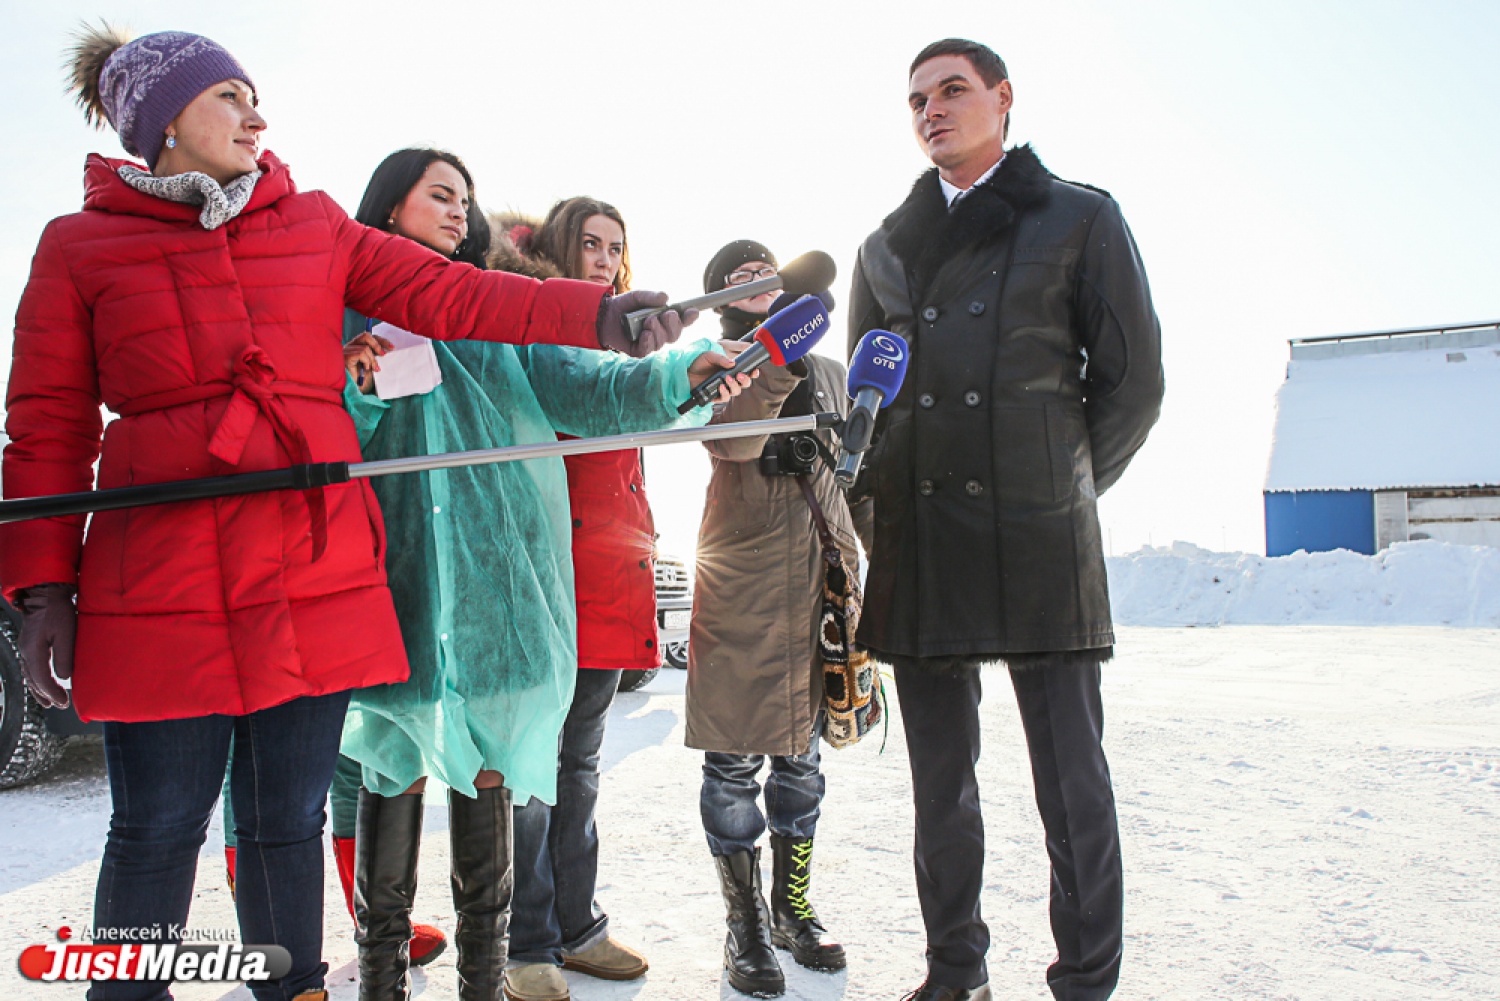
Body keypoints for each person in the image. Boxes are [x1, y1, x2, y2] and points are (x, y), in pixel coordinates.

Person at [1, 26, 688, 1001]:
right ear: (162, 119)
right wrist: (41, 586)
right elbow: (48, 423)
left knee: (287, 822)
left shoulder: (313, 224)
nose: (257, 117)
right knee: (156, 827)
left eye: (255, 97)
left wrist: (598, 315)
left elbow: (457, 294)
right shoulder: (79, 247)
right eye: (230, 97)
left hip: (308, 569)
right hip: (160, 577)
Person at [336, 174, 748, 1001]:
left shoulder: (500, 311)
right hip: (396, 591)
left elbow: (593, 389)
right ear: (387, 208)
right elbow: (325, 431)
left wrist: (682, 376)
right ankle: (382, 982)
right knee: (392, 769)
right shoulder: (345, 317)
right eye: (437, 192)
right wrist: (358, 385)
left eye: (465, 196)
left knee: (494, 771)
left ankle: (486, 982)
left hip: (501, 596)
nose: (458, 207)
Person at [846, 39, 1164, 1001]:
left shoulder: (1080, 217)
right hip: (922, 538)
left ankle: (1086, 981)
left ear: (1003, 98)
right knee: (940, 788)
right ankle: (955, 974)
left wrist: (1059, 487)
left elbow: (1133, 383)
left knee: (1072, 784)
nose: (932, 110)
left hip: (1040, 538)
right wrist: (875, 512)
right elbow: (866, 404)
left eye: (953, 90)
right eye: (916, 100)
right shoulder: (883, 247)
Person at [486, 198, 657, 1001]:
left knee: (580, 765)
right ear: (559, 247)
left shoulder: (617, 342)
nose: (603, 259)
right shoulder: (533, 330)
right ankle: (526, 942)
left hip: (607, 574)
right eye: (589, 243)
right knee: (531, 770)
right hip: (545, 574)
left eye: (614, 248)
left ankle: (577, 926)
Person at [685, 241, 855, 998]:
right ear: (719, 296)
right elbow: (736, 440)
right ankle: (745, 923)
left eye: (767, 270)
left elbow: (857, 477)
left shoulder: (831, 370)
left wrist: (867, 571)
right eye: (739, 276)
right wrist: (776, 354)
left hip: (818, 589)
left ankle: (791, 909)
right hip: (742, 587)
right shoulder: (715, 364)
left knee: (803, 763)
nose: (757, 281)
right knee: (732, 765)